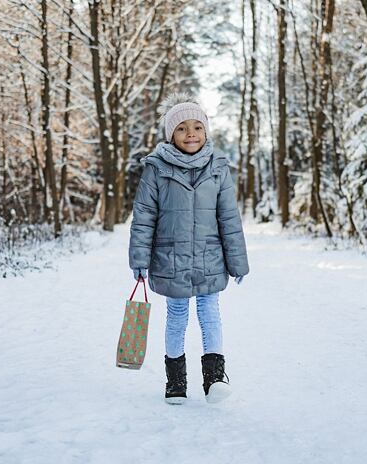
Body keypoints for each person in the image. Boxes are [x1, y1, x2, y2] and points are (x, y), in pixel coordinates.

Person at [128, 92, 249, 405]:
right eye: (181, 128)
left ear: (206, 131)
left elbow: (229, 217)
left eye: (197, 126)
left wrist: (237, 260)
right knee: (177, 318)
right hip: (171, 258)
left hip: (210, 257)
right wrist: (139, 259)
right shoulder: (156, 169)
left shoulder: (218, 168)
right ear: (171, 135)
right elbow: (144, 216)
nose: (190, 133)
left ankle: (215, 378)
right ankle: (176, 382)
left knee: (210, 315)